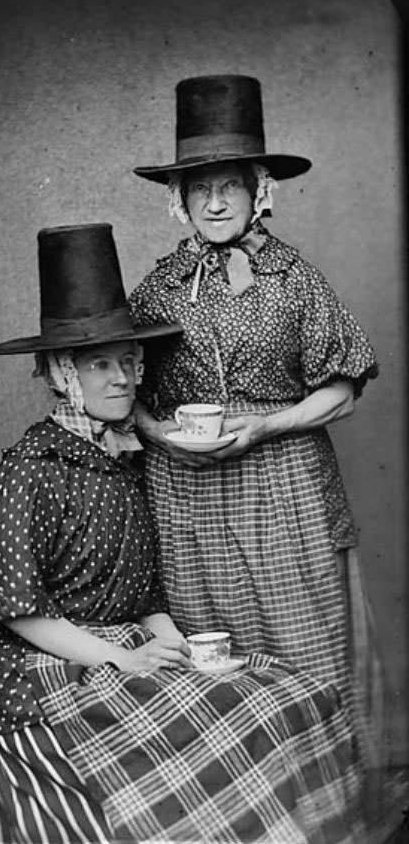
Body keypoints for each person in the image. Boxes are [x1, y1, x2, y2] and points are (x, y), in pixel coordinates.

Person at [0, 223, 366, 844]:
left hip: (127, 648)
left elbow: (148, 599)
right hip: (46, 667)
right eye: (101, 365)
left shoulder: (126, 463)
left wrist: (180, 653)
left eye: (130, 363)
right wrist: (125, 659)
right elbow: (23, 618)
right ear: (62, 373)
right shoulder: (25, 475)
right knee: (226, 724)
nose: (124, 380)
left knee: (278, 691)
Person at [128, 75, 384, 783]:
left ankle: (328, 801)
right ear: (178, 198)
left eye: (229, 185)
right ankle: (241, 814)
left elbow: (344, 388)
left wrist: (263, 427)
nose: (214, 201)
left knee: (308, 648)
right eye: (199, 186)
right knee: (214, 654)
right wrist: (160, 436)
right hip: (186, 495)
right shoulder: (155, 291)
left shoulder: (293, 278)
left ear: (258, 190)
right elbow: (124, 395)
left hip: (284, 488)